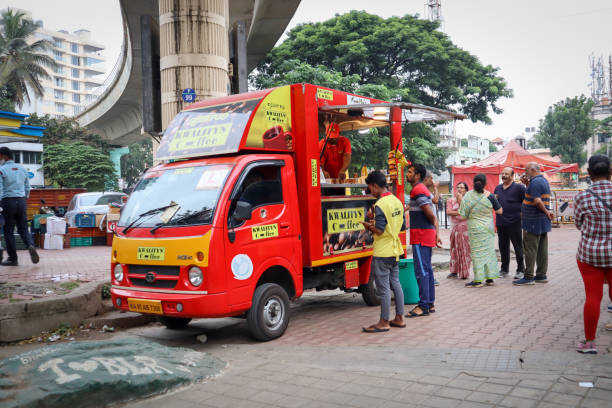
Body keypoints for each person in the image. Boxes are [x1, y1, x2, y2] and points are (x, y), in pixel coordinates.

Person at [574, 155, 612, 354]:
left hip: (590, 254)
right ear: (611, 172)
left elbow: (579, 224)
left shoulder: (582, 196)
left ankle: (589, 343)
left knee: (593, 296)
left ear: (588, 174)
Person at [361, 171, 406, 332]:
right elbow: (401, 226)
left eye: (370, 188)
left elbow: (379, 230)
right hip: (395, 250)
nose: (370, 192)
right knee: (396, 284)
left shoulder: (380, 204)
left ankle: (384, 321)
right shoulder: (397, 201)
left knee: (384, 288)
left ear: (375, 186)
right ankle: (400, 318)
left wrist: (369, 226)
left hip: (383, 251)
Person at [405, 164, 442, 317]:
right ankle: (430, 302)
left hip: (421, 235)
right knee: (427, 269)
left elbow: (428, 212)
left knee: (422, 271)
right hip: (424, 234)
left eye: (410, 172)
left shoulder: (418, 189)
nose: (407, 174)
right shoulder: (422, 189)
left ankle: (423, 305)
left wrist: (432, 225)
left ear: (418, 175)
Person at [459, 173, 503, 287]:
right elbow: (499, 211)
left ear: (473, 183)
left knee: (477, 253)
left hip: (475, 229)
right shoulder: (490, 196)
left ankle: (478, 280)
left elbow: (463, 215)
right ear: (485, 184)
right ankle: (490, 278)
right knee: (489, 252)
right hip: (488, 229)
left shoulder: (468, 196)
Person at [514, 162, 553, 286]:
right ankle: (541, 275)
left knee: (530, 249)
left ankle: (529, 276)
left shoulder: (535, 182)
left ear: (532, 169)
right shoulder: (542, 181)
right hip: (541, 221)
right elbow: (534, 196)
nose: (525, 172)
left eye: (526, 170)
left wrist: (547, 212)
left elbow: (537, 200)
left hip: (532, 221)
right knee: (542, 249)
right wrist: (527, 184)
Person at [0, 147, 39, 265]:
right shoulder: (22, 169)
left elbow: (0, 189)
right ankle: (30, 245)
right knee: (23, 228)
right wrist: (23, 198)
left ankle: (13, 259)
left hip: (8, 201)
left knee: (8, 231)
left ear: (3, 156)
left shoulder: (2, 170)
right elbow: (27, 187)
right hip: (21, 201)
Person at [494, 167, 526, 279]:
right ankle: (504, 269)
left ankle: (521, 270)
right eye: (502, 173)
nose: (504, 175)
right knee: (503, 247)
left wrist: (522, 216)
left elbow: (525, 203)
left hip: (515, 222)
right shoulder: (497, 188)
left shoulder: (519, 188)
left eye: (506, 174)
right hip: (501, 222)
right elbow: (494, 204)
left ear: (512, 176)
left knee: (518, 247)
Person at [446, 182, 471, 279]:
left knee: (465, 249)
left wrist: (461, 201)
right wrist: (461, 212)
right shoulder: (450, 200)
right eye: (458, 187)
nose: (460, 189)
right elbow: (448, 212)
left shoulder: (468, 200)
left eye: (462, 187)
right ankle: (454, 271)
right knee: (454, 249)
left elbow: (468, 213)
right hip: (454, 226)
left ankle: (464, 271)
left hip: (465, 228)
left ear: (466, 190)